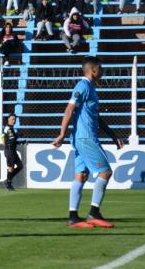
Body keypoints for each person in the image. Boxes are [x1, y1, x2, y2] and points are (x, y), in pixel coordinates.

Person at [52, 56, 124, 228]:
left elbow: (96, 117)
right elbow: (69, 108)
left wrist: (113, 135)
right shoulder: (83, 86)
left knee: (81, 175)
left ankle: (73, 217)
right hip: (85, 138)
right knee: (105, 172)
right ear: (93, 70)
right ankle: (94, 212)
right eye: (101, 68)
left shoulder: (90, 88)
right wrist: (61, 134)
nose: (103, 71)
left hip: (81, 138)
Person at [2, 113, 23, 191]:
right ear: (8, 119)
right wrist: (18, 135)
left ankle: (7, 180)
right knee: (11, 168)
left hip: (13, 150)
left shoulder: (11, 128)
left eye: (15, 119)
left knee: (20, 166)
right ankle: (8, 184)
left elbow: (13, 140)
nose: (14, 121)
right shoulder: (8, 128)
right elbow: (12, 139)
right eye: (12, 119)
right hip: (9, 150)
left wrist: (22, 142)